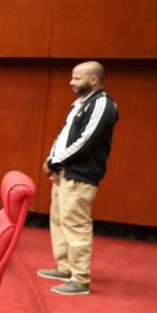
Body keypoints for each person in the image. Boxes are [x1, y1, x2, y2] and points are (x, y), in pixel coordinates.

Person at [38, 61, 119, 296]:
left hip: (80, 175)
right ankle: (65, 267)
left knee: (76, 225)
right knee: (60, 220)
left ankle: (80, 278)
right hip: (65, 172)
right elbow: (64, 135)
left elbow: (85, 140)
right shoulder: (81, 104)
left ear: (94, 79)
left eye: (77, 78)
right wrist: (53, 160)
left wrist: (53, 162)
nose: (71, 82)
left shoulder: (102, 104)